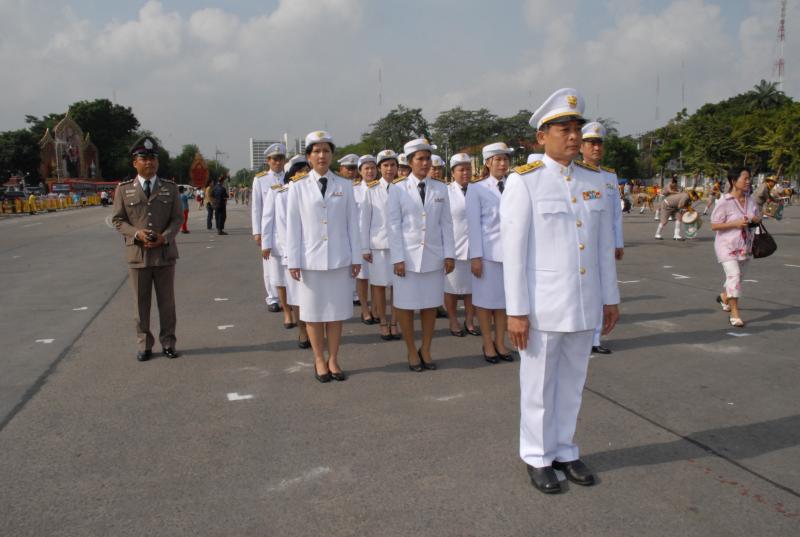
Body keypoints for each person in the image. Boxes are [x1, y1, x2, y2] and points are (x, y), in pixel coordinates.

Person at [501, 88, 620, 494]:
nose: (573, 137)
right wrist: (517, 311)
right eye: (563, 129)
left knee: (572, 383)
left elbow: (603, 246)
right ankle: (537, 456)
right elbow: (514, 253)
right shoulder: (525, 182)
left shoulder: (595, 181)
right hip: (542, 307)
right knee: (538, 386)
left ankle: (565, 450)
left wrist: (610, 297)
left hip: (584, 302)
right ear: (542, 137)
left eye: (576, 129)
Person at [287, 131, 361, 383]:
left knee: (336, 313)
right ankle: (319, 359)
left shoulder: (345, 185)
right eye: (316, 151)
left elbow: (353, 225)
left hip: (339, 259)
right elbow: (293, 227)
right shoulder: (297, 187)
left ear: (332, 155)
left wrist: (356, 257)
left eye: (326, 151)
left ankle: (334, 358)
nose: (322, 155)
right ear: (308, 157)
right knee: (313, 313)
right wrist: (293, 261)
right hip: (310, 261)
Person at [111, 136, 183, 361]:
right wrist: (136, 233)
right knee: (140, 304)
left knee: (167, 303)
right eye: (144, 158)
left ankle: (168, 342)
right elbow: (118, 220)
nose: (149, 162)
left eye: (152, 158)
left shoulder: (170, 188)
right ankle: (144, 344)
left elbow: (177, 218)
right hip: (138, 255)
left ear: (157, 162)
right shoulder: (124, 190)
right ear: (135, 163)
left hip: (164, 254)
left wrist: (165, 237)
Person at [388, 138, 455, 372]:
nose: (425, 163)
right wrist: (397, 258)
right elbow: (393, 225)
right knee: (405, 306)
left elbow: (447, 224)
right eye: (420, 159)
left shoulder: (441, 188)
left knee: (430, 305)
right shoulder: (397, 189)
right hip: (406, 258)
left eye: (428, 159)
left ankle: (426, 349)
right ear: (409, 162)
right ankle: (410, 349)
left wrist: (450, 255)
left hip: (433, 256)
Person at [467, 142, 513, 363]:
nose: (503, 164)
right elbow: (473, 225)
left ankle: (500, 341)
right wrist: (475, 257)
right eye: (498, 160)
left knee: (504, 302)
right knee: (485, 302)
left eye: (505, 159)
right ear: (487, 163)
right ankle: (487, 342)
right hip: (487, 254)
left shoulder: (514, 184)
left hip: (511, 254)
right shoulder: (477, 188)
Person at [580, 121, 624, 355]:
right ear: (581, 147)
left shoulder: (609, 176)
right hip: (583, 241)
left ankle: (595, 338)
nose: (596, 148)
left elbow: (615, 212)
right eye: (590, 143)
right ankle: (581, 335)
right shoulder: (575, 174)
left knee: (600, 289)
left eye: (599, 143)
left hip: (604, 242)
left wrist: (618, 242)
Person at [711, 168, 761, 328]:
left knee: (738, 279)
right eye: (745, 178)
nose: (748, 181)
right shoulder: (724, 202)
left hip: (746, 246)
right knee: (734, 276)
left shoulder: (750, 200)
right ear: (733, 181)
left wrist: (755, 219)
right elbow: (714, 225)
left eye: (749, 178)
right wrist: (735, 223)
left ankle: (723, 297)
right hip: (727, 246)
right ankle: (734, 314)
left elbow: (757, 217)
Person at [361, 150, 400, 340]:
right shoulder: (372, 190)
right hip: (378, 245)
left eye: (393, 165)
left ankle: (395, 322)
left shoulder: (403, 188)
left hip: (399, 246)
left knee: (398, 286)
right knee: (378, 286)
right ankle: (383, 321)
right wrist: (365, 247)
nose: (389, 169)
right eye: (385, 165)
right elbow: (365, 221)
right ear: (379, 168)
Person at [444, 153, 479, 338]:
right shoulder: (446, 191)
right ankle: (453, 320)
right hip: (454, 248)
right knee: (452, 288)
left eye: (468, 169)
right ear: (453, 172)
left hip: (475, 248)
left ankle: (469, 320)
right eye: (461, 170)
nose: (465, 173)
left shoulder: (478, 189)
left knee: (472, 289)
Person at [261, 156, 298, 330]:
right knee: (281, 282)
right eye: (298, 171)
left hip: (300, 247)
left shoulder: (310, 193)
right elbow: (267, 219)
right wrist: (266, 244)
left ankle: (300, 314)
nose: (303, 174)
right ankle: (287, 313)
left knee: (298, 283)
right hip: (279, 245)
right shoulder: (277, 192)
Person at [280, 156, 311, 348]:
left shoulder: (315, 191)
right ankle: (302, 331)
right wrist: (290, 256)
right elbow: (282, 227)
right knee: (297, 297)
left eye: (307, 170)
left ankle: (315, 330)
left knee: (313, 297)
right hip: (293, 253)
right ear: (292, 174)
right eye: (300, 171)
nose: (304, 174)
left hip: (313, 253)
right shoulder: (282, 194)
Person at [252, 144, 286, 313]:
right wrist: (257, 232)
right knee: (269, 265)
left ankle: (288, 298)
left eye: (281, 159)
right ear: (268, 161)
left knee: (287, 264)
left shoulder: (291, 177)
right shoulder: (260, 179)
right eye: (274, 159)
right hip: (269, 228)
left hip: (286, 227)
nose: (278, 162)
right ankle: (273, 298)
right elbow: (256, 207)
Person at [351, 154, 377, 324]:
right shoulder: (353, 190)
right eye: (366, 168)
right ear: (360, 171)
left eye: (373, 168)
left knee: (377, 277)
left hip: (376, 239)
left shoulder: (381, 188)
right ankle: (365, 310)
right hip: (359, 239)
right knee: (362, 277)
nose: (370, 171)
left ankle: (376, 308)